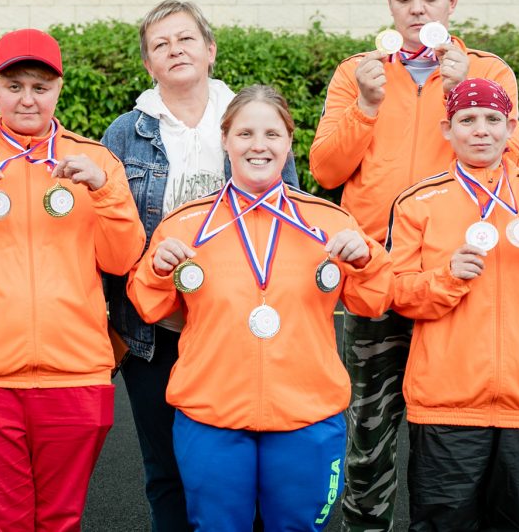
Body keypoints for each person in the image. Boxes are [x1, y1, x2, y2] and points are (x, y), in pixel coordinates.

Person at [309, 0, 519, 532]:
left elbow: (509, 165)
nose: (416, 8)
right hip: (377, 273)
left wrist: (468, 88)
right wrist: (369, 107)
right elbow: (325, 169)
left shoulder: (489, 70)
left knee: (450, 426)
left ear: (451, 3)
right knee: (369, 427)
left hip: (452, 275)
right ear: (390, 4)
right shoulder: (360, 73)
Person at [0, 28, 145, 530]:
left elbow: (122, 260)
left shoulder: (96, 162)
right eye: (14, 86)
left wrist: (105, 195)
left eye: (41, 86)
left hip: (76, 377)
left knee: (61, 521)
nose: (28, 99)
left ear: (59, 88)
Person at [128, 85, 393, 530]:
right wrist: (155, 269)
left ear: (288, 142)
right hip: (211, 416)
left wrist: (366, 262)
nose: (258, 145)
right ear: (226, 140)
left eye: (272, 134)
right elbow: (148, 307)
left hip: (306, 417)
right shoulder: (187, 223)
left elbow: (374, 300)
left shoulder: (329, 223)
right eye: (246, 133)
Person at [102, 0, 298, 531]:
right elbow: (108, 232)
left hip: (243, 330)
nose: (175, 50)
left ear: (210, 49)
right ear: (149, 64)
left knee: (248, 478)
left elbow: (292, 217)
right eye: (160, 45)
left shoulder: (251, 120)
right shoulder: (125, 133)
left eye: (185, 39)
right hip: (158, 329)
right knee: (165, 471)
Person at [388, 78, 519, 531]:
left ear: (510, 126)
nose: (481, 130)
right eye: (467, 119)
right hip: (446, 403)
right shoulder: (416, 202)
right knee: (444, 524)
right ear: (447, 128)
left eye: (493, 119)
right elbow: (396, 293)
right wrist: (447, 277)